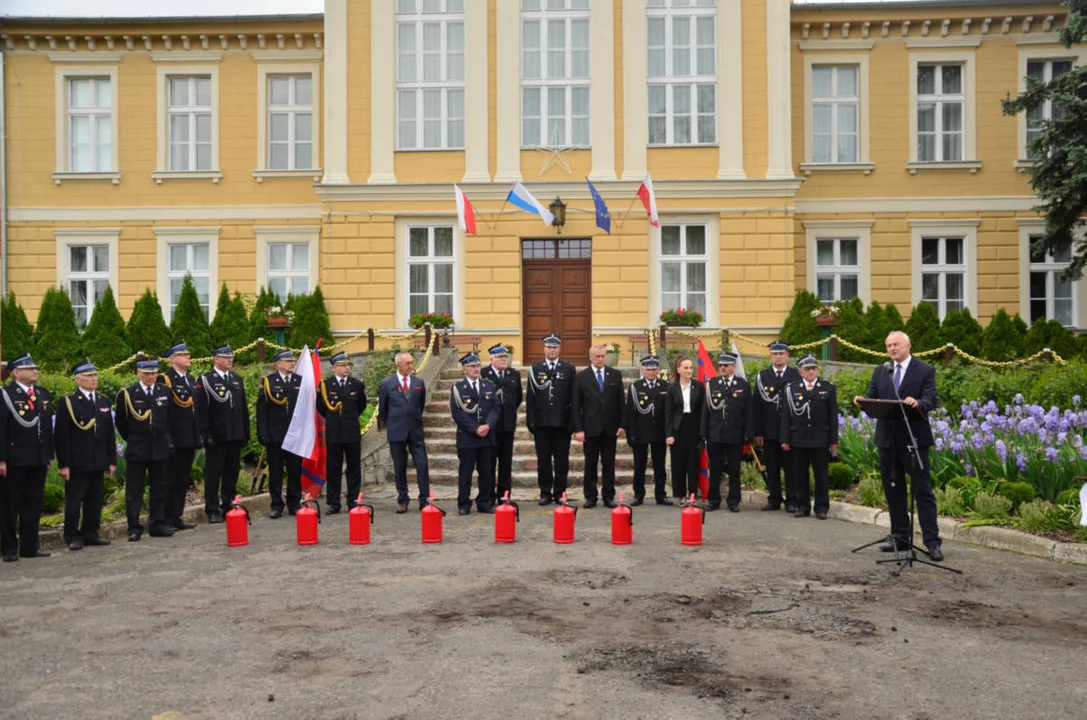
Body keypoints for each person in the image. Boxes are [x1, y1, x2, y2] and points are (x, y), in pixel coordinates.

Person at [853, 330, 944, 561]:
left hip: (914, 439)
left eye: (896, 344)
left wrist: (919, 403)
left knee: (922, 492)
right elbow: (871, 397)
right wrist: (861, 402)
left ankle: (932, 543)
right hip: (888, 440)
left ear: (908, 346)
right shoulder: (881, 371)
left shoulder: (924, 370)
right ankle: (900, 538)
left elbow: (930, 399)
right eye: (888, 345)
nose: (892, 349)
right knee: (894, 491)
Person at [54, 360, 115, 551]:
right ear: (77, 379)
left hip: (98, 459)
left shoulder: (103, 400)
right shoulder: (68, 401)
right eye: (89, 376)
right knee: (74, 499)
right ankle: (72, 535)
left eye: (95, 375)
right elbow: (61, 436)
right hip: (78, 460)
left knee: (95, 499)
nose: (93, 379)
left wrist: (111, 460)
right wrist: (64, 464)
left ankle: (91, 532)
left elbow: (109, 434)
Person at [0, 353, 54, 561]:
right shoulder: (5, 394)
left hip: (37, 458)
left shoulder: (42, 393)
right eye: (30, 368)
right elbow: (1, 429)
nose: (35, 371)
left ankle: (30, 546)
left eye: (35, 368)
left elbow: (47, 427)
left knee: (33, 503)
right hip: (14, 458)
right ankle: (9, 548)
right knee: (10, 505)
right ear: (16, 372)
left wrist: (49, 454)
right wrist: (2, 459)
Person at [114, 355, 174, 541]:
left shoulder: (164, 391)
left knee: (159, 488)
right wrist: (133, 439)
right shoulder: (127, 394)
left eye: (154, 373)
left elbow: (169, 419)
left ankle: (157, 524)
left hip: (159, 448)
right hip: (138, 449)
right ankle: (134, 527)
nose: (151, 377)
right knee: (135, 491)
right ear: (138, 373)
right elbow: (121, 423)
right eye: (147, 374)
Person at [196, 345, 250, 524]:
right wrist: (206, 435)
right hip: (217, 437)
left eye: (231, 357)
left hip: (234, 435)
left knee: (231, 473)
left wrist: (245, 433)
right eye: (226, 357)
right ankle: (212, 509)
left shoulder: (236, 379)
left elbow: (242, 408)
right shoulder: (205, 380)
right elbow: (201, 411)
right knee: (213, 475)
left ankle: (228, 504)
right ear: (215, 359)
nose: (230, 360)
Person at [781, 356, 838, 519]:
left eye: (813, 368)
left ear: (817, 370)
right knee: (800, 475)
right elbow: (786, 415)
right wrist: (785, 438)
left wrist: (833, 440)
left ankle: (821, 508)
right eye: (807, 369)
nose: (811, 371)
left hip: (820, 439)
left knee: (821, 475)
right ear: (801, 372)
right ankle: (803, 506)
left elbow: (833, 416)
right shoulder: (792, 389)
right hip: (799, 438)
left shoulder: (827, 388)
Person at [572, 344, 626, 509]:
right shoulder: (582, 377)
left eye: (603, 356)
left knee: (608, 464)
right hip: (590, 428)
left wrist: (622, 424)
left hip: (610, 428)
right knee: (590, 464)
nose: (601, 359)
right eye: (597, 356)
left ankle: (608, 496)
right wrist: (578, 429)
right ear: (590, 357)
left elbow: (620, 403)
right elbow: (576, 405)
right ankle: (590, 496)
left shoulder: (615, 375)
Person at [526, 333, 576, 505]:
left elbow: (573, 398)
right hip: (542, 423)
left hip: (562, 423)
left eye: (555, 347)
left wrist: (573, 423)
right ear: (544, 348)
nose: (552, 350)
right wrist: (531, 421)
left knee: (562, 460)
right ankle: (545, 492)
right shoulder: (535, 369)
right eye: (549, 347)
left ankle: (560, 492)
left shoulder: (568, 368)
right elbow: (530, 398)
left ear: (559, 348)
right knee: (544, 460)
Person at [378, 351, 430, 513]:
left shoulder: (418, 382)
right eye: (407, 363)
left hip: (415, 431)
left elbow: (420, 406)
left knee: (422, 464)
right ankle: (403, 499)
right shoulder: (387, 383)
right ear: (398, 365)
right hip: (396, 431)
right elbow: (383, 409)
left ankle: (424, 499)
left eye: (411, 362)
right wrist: (394, 424)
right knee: (399, 466)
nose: (410, 366)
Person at [701, 352, 754, 512]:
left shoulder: (742, 385)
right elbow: (706, 410)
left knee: (734, 469)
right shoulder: (713, 384)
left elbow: (748, 412)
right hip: (715, 434)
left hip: (735, 434)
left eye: (726, 365)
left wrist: (748, 433)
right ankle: (713, 499)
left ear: (733, 366)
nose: (722, 368)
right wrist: (704, 433)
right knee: (715, 469)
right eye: (720, 365)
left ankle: (733, 500)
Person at [754, 340, 802, 512]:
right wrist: (758, 431)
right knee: (772, 466)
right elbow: (757, 406)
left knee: (790, 467)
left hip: (790, 430)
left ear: (787, 355)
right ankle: (774, 498)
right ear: (771, 356)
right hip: (770, 429)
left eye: (782, 353)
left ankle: (791, 500)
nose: (778, 356)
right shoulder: (763, 376)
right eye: (775, 353)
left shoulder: (796, 375)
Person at [449, 352, 500, 515]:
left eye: (477, 366)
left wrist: (488, 425)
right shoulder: (458, 388)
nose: (476, 369)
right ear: (464, 369)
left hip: (487, 437)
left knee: (486, 472)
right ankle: (464, 503)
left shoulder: (488, 385)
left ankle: (484, 502)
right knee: (465, 472)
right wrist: (475, 428)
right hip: (467, 437)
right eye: (472, 366)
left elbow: (495, 408)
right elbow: (457, 413)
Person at [319, 352, 367, 513]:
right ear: (334, 367)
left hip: (351, 431)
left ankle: (353, 500)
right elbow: (321, 408)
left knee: (353, 467)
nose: (347, 368)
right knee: (333, 468)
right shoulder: (326, 385)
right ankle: (334, 502)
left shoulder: (357, 385)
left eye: (348, 365)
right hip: (334, 432)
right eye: (343, 365)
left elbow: (361, 406)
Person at [158, 341, 199, 531]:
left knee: (182, 479)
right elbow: (164, 413)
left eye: (188, 354)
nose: (188, 357)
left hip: (189, 437)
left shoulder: (190, 379)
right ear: (173, 359)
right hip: (174, 438)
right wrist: (167, 438)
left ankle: (176, 516)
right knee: (170, 479)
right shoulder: (165, 379)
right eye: (184, 355)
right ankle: (165, 518)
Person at [256, 350, 303, 518]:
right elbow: (262, 410)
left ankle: (294, 503)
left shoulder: (299, 381)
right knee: (275, 471)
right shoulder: (268, 382)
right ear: (278, 364)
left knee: (295, 470)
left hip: (295, 434)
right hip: (275, 435)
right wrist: (262, 432)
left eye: (293, 361)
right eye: (288, 361)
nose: (292, 363)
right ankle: (276, 504)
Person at [624, 356, 671, 506]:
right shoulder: (635, 386)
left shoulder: (666, 386)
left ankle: (660, 494)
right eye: (648, 369)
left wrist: (668, 432)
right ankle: (639, 494)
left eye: (654, 369)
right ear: (643, 370)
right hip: (640, 432)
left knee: (660, 466)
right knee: (639, 466)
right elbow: (630, 412)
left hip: (659, 432)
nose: (651, 372)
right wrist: (630, 434)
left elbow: (668, 412)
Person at [480, 343, 522, 501]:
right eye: (500, 357)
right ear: (491, 359)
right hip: (490, 427)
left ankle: (504, 495)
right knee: (488, 463)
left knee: (506, 463)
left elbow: (518, 398)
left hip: (508, 426)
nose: (504, 359)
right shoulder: (484, 374)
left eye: (505, 356)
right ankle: (489, 496)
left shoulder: (513, 374)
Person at [664, 355, 705, 505]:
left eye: (691, 367)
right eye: (686, 368)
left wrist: (703, 433)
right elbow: (668, 413)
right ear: (678, 369)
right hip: (678, 428)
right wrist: (669, 434)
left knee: (693, 462)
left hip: (694, 428)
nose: (689, 370)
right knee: (679, 463)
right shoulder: (672, 388)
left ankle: (693, 493)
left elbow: (703, 410)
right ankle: (681, 495)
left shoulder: (699, 386)